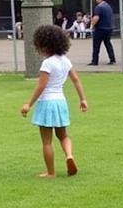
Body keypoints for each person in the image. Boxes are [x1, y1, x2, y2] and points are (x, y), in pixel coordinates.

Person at [20, 24, 88, 178]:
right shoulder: (66, 61)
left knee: (46, 142)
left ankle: (51, 172)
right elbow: (76, 80)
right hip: (61, 102)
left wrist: (28, 104)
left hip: (47, 103)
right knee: (63, 135)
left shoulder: (47, 63)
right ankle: (69, 155)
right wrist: (82, 99)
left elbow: (41, 86)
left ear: (44, 45)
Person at [89, 0, 116, 66]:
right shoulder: (108, 6)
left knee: (96, 45)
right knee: (108, 44)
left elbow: (96, 17)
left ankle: (95, 61)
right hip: (109, 28)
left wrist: (91, 26)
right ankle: (112, 59)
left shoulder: (99, 7)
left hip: (100, 29)